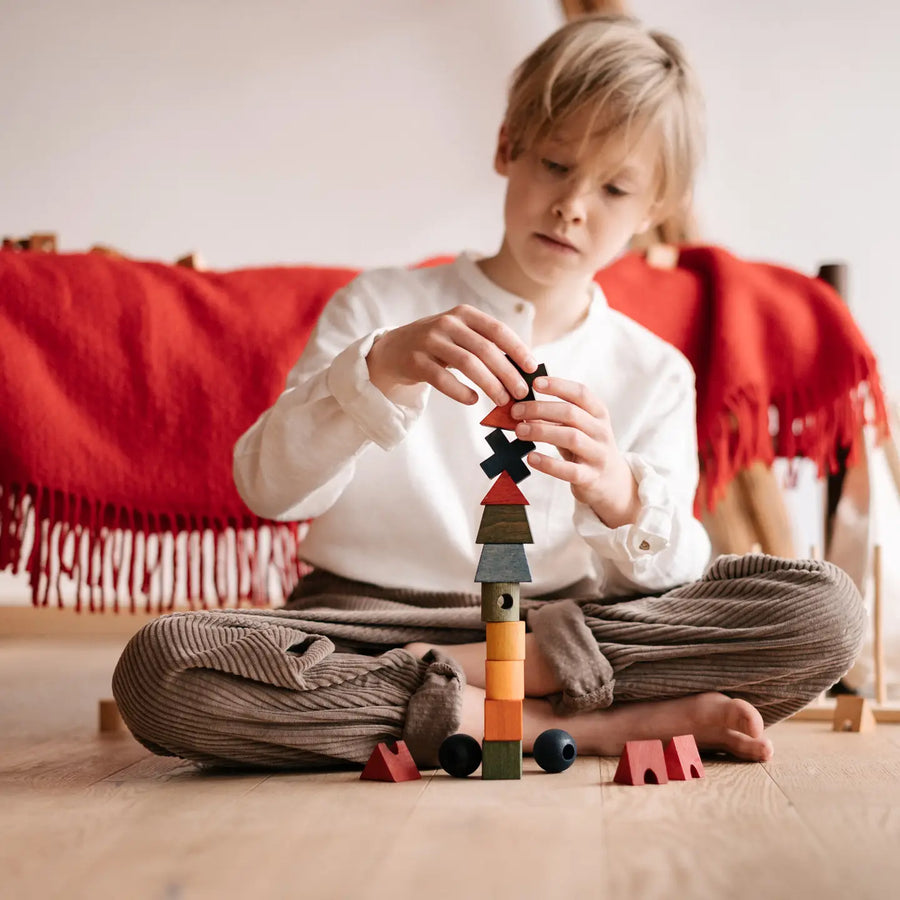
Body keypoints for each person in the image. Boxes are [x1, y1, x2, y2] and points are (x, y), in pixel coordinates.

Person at [112, 14, 863, 771]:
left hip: (560, 628)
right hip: (359, 624)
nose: (574, 204)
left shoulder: (656, 371)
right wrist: (376, 371)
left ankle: (466, 686)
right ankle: (570, 726)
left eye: (614, 188)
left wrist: (618, 489)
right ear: (507, 147)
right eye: (556, 164)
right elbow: (267, 488)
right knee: (162, 668)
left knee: (826, 613)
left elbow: (669, 576)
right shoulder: (377, 307)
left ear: (651, 212)